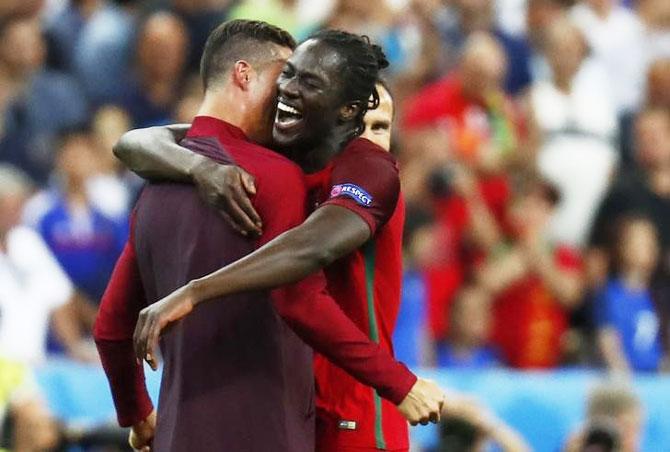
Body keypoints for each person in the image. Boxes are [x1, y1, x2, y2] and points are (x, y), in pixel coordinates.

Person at [95, 20, 444, 452]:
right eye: (288, 75)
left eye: (381, 127)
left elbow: (307, 257)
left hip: (357, 418)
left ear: (345, 110)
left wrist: (194, 291)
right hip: (295, 420)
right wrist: (198, 167)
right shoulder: (275, 168)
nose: (288, 90)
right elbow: (143, 141)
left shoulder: (368, 169)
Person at [476, 176, 584, 368]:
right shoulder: (500, 248)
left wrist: (539, 258)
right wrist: (525, 255)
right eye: (525, 205)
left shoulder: (564, 255)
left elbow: (570, 295)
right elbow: (487, 284)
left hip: (547, 361)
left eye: (540, 206)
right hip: (499, 362)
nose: (531, 213)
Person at [0, 164, 80, 365]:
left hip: (33, 365)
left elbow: (59, 298)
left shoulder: (28, 242)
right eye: (9, 207)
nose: (16, 213)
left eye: (19, 206)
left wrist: (74, 347)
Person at [595, 215, 664, 373]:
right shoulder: (607, 295)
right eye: (640, 242)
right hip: (625, 383)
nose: (649, 248)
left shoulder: (659, 296)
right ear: (623, 247)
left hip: (657, 381)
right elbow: (608, 341)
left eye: (651, 242)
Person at [436, 285, 501, 369]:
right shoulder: (430, 355)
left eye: (481, 312)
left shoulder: (494, 362)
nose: (475, 319)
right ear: (450, 315)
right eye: (468, 313)